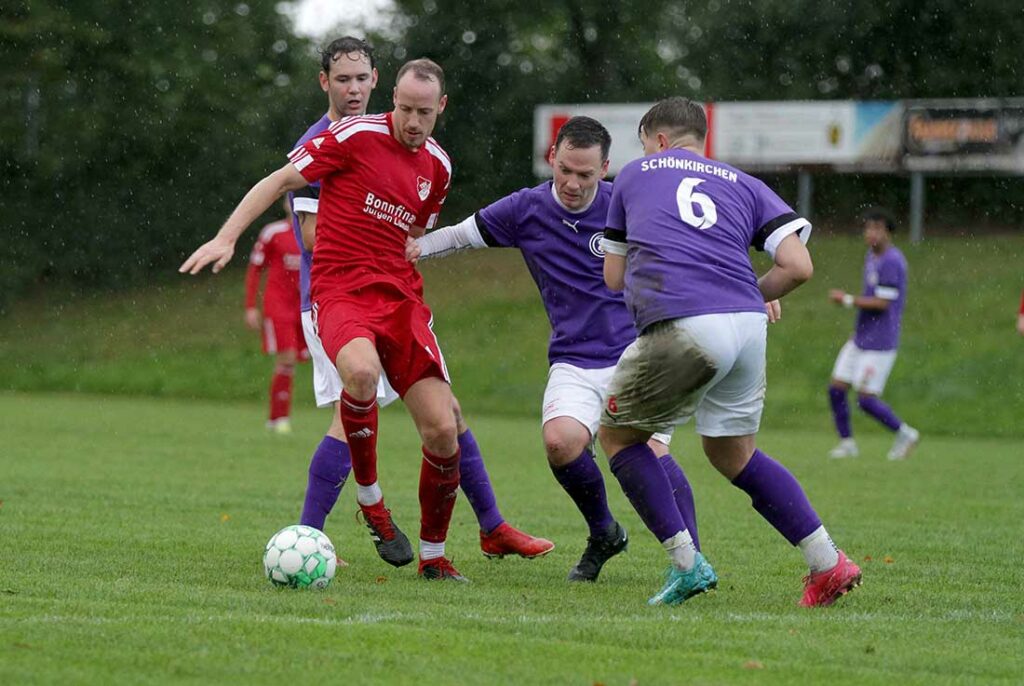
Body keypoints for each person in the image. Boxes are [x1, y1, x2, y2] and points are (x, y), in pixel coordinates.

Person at [181, 58, 482, 581]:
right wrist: (227, 236)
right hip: (340, 291)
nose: (412, 122)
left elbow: (415, 238)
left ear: (441, 109)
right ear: (393, 99)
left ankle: (433, 560)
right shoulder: (353, 135)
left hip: (402, 302)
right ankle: (371, 501)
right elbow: (278, 181)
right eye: (405, 109)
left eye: (424, 113)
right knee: (360, 374)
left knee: (441, 428)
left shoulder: (439, 167)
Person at [289, 37, 552, 565]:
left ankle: (491, 526)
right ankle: (308, 536)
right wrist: (375, 215)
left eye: (363, 78)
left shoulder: (422, 156)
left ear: (376, 80)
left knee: (446, 414)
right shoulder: (329, 139)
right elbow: (315, 234)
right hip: (338, 298)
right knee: (352, 413)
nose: (354, 89)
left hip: (391, 297)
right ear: (325, 83)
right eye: (343, 79)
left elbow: (413, 226)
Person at [410, 116, 700, 582]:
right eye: (565, 169)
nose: (572, 182)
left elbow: (697, 249)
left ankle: (693, 562)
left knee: (651, 454)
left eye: (585, 174)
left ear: (605, 169)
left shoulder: (631, 204)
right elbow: (459, 235)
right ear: (552, 158)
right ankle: (604, 532)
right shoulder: (526, 209)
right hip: (575, 358)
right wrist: (408, 249)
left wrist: (751, 288)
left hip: (641, 354)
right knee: (560, 443)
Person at [597, 97, 861, 607]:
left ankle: (686, 563)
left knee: (619, 438)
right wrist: (753, 293)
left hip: (686, 322)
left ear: (659, 141)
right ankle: (828, 563)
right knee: (732, 453)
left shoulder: (636, 173)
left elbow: (613, 277)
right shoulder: (745, 183)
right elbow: (798, 266)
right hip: (747, 324)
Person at [826, 208, 919, 461]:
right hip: (861, 338)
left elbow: (882, 303)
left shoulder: (892, 261)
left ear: (888, 233)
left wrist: (846, 300)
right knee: (836, 389)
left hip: (880, 343)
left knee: (866, 399)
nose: (871, 233)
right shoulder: (872, 256)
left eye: (877, 228)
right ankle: (847, 443)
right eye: (868, 228)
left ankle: (905, 433)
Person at [244, 199, 306, 434]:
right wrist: (251, 306)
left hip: (306, 307)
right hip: (279, 307)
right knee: (287, 358)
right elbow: (255, 269)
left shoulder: (317, 233)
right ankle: (278, 417)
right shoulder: (274, 232)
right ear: (285, 203)